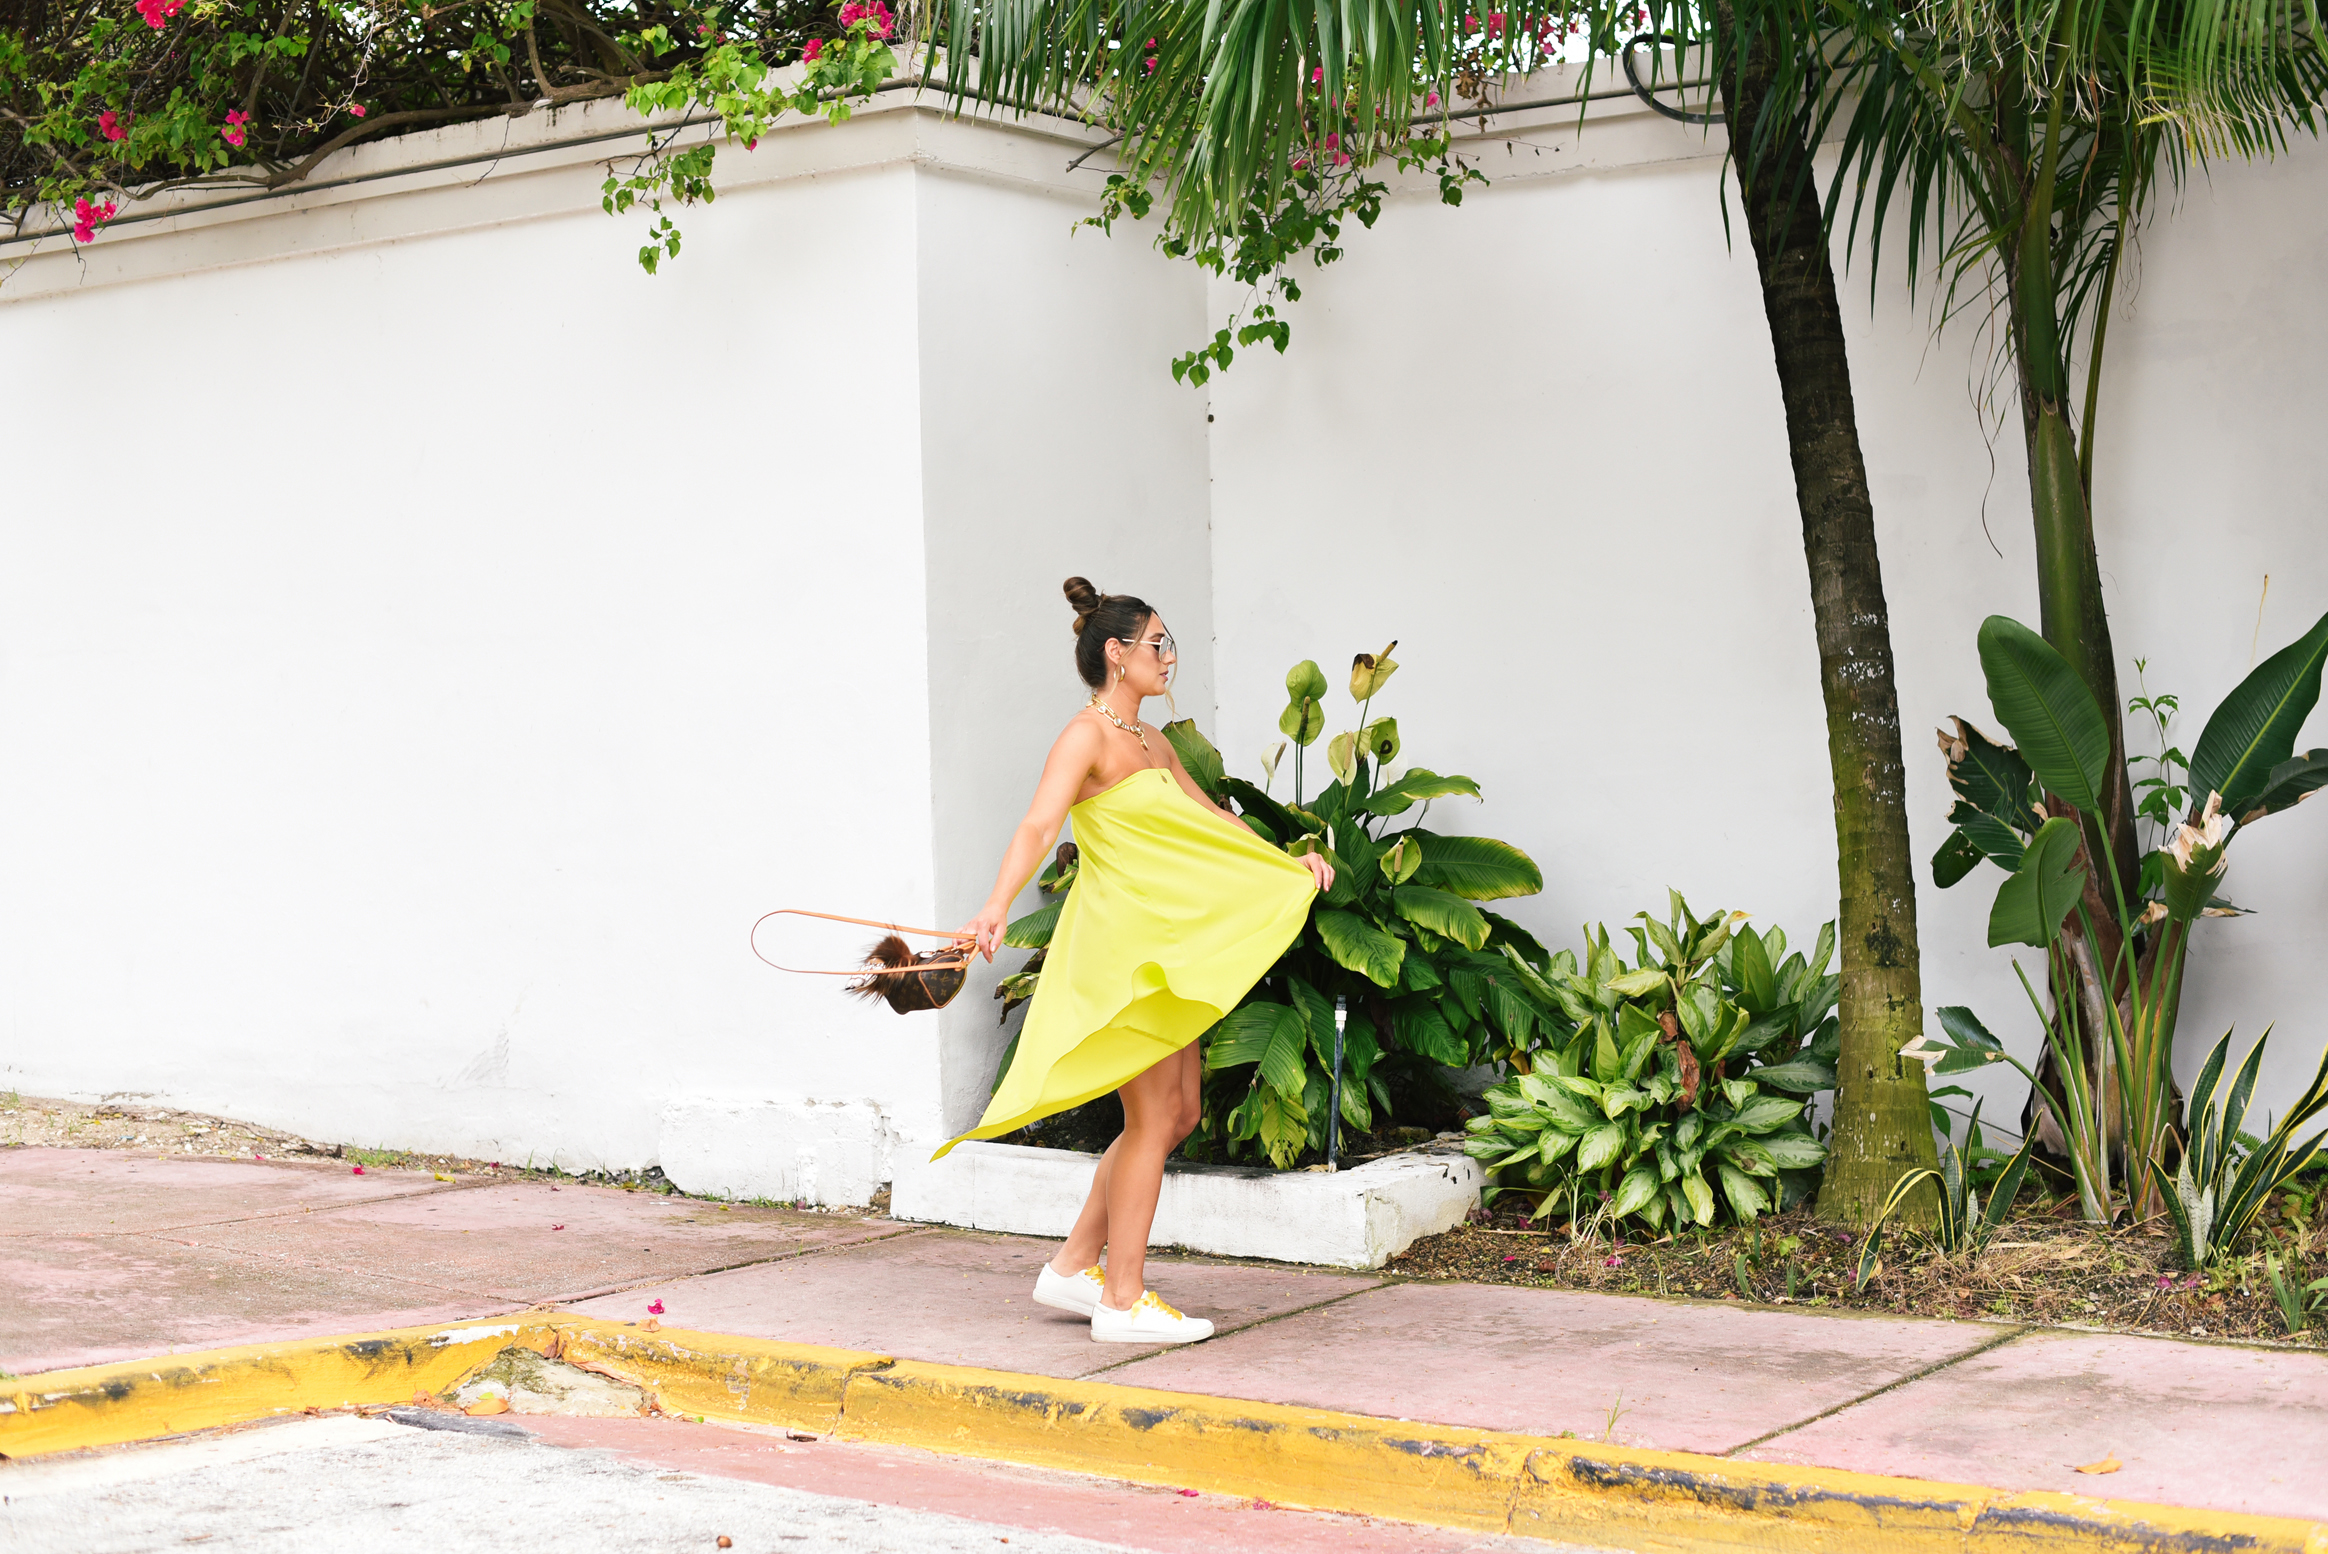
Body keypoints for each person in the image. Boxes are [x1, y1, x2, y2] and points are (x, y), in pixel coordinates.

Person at [940, 578, 1332, 1344]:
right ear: (1116, 654)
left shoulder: (1152, 741)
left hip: (1166, 951)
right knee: (1153, 1117)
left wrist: (1288, 865)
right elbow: (1037, 824)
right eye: (1158, 644)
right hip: (1122, 953)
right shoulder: (1084, 737)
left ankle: (1073, 1266)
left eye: (1169, 643)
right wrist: (994, 907)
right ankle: (1122, 1301)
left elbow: (1211, 818)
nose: (1170, 657)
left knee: (1178, 1113)